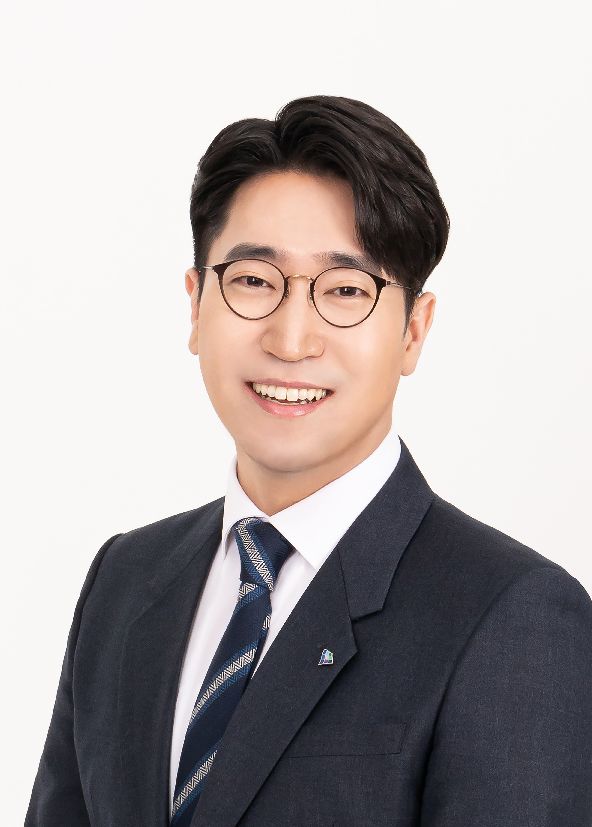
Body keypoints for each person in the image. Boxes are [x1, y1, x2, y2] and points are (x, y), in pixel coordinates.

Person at [26, 96, 592, 827]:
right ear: (196, 306)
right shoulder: (125, 581)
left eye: (346, 291)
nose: (291, 340)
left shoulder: (516, 618)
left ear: (413, 332)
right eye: (254, 281)